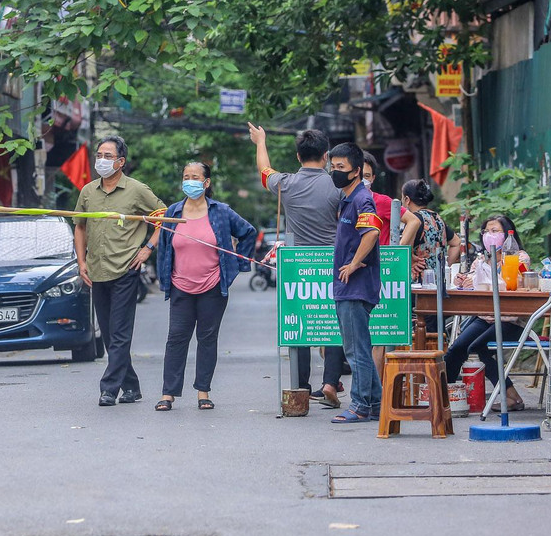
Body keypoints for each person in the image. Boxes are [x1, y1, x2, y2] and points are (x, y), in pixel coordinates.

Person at [248, 122, 346, 407]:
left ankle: (301, 386)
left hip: (299, 264)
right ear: (326, 156)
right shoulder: (337, 185)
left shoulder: (287, 184)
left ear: (298, 157)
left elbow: (264, 172)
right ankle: (330, 383)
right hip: (332, 262)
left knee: (301, 324)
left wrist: (261, 142)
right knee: (331, 323)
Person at [154, 162, 258, 411]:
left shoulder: (221, 212)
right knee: (176, 338)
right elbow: (164, 249)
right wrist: (164, 280)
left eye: (195, 177)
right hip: (181, 286)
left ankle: (203, 392)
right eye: (186, 176)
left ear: (206, 183)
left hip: (213, 286)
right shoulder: (173, 212)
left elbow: (248, 233)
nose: (190, 181)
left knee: (207, 338)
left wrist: (235, 268)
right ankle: (168, 394)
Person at [74, 136, 167, 407]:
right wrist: (81, 262)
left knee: (120, 334)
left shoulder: (137, 190)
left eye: (107, 156)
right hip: (96, 270)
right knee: (109, 331)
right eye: (99, 154)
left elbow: (165, 217)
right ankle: (132, 386)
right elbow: (80, 227)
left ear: (120, 161)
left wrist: (148, 248)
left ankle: (108, 388)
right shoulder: (88, 192)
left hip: (126, 270)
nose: (101, 160)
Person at [446, 215, 531, 411]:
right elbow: (473, 281)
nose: (489, 235)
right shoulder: (481, 259)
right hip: (485, 316)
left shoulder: (519, 258)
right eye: (486, 232)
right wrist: (463, 280)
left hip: (510, 319)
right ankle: (447, 394)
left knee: (476, 348)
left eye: (495, 231)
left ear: (508, 234)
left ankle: (511, 395)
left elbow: (517, 283)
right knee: (457, 348)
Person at [327, 143, 384, 423]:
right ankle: (375, 403)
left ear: (356, 170)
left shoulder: (362, 199)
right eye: (333, 167)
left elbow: (371, 232)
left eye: (341, 168)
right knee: (359, 346)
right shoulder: (347, 199)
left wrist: (353, 263)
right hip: (349, 286)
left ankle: (360, 404)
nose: (335, 172)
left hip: (356, 286)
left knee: (355, 349)